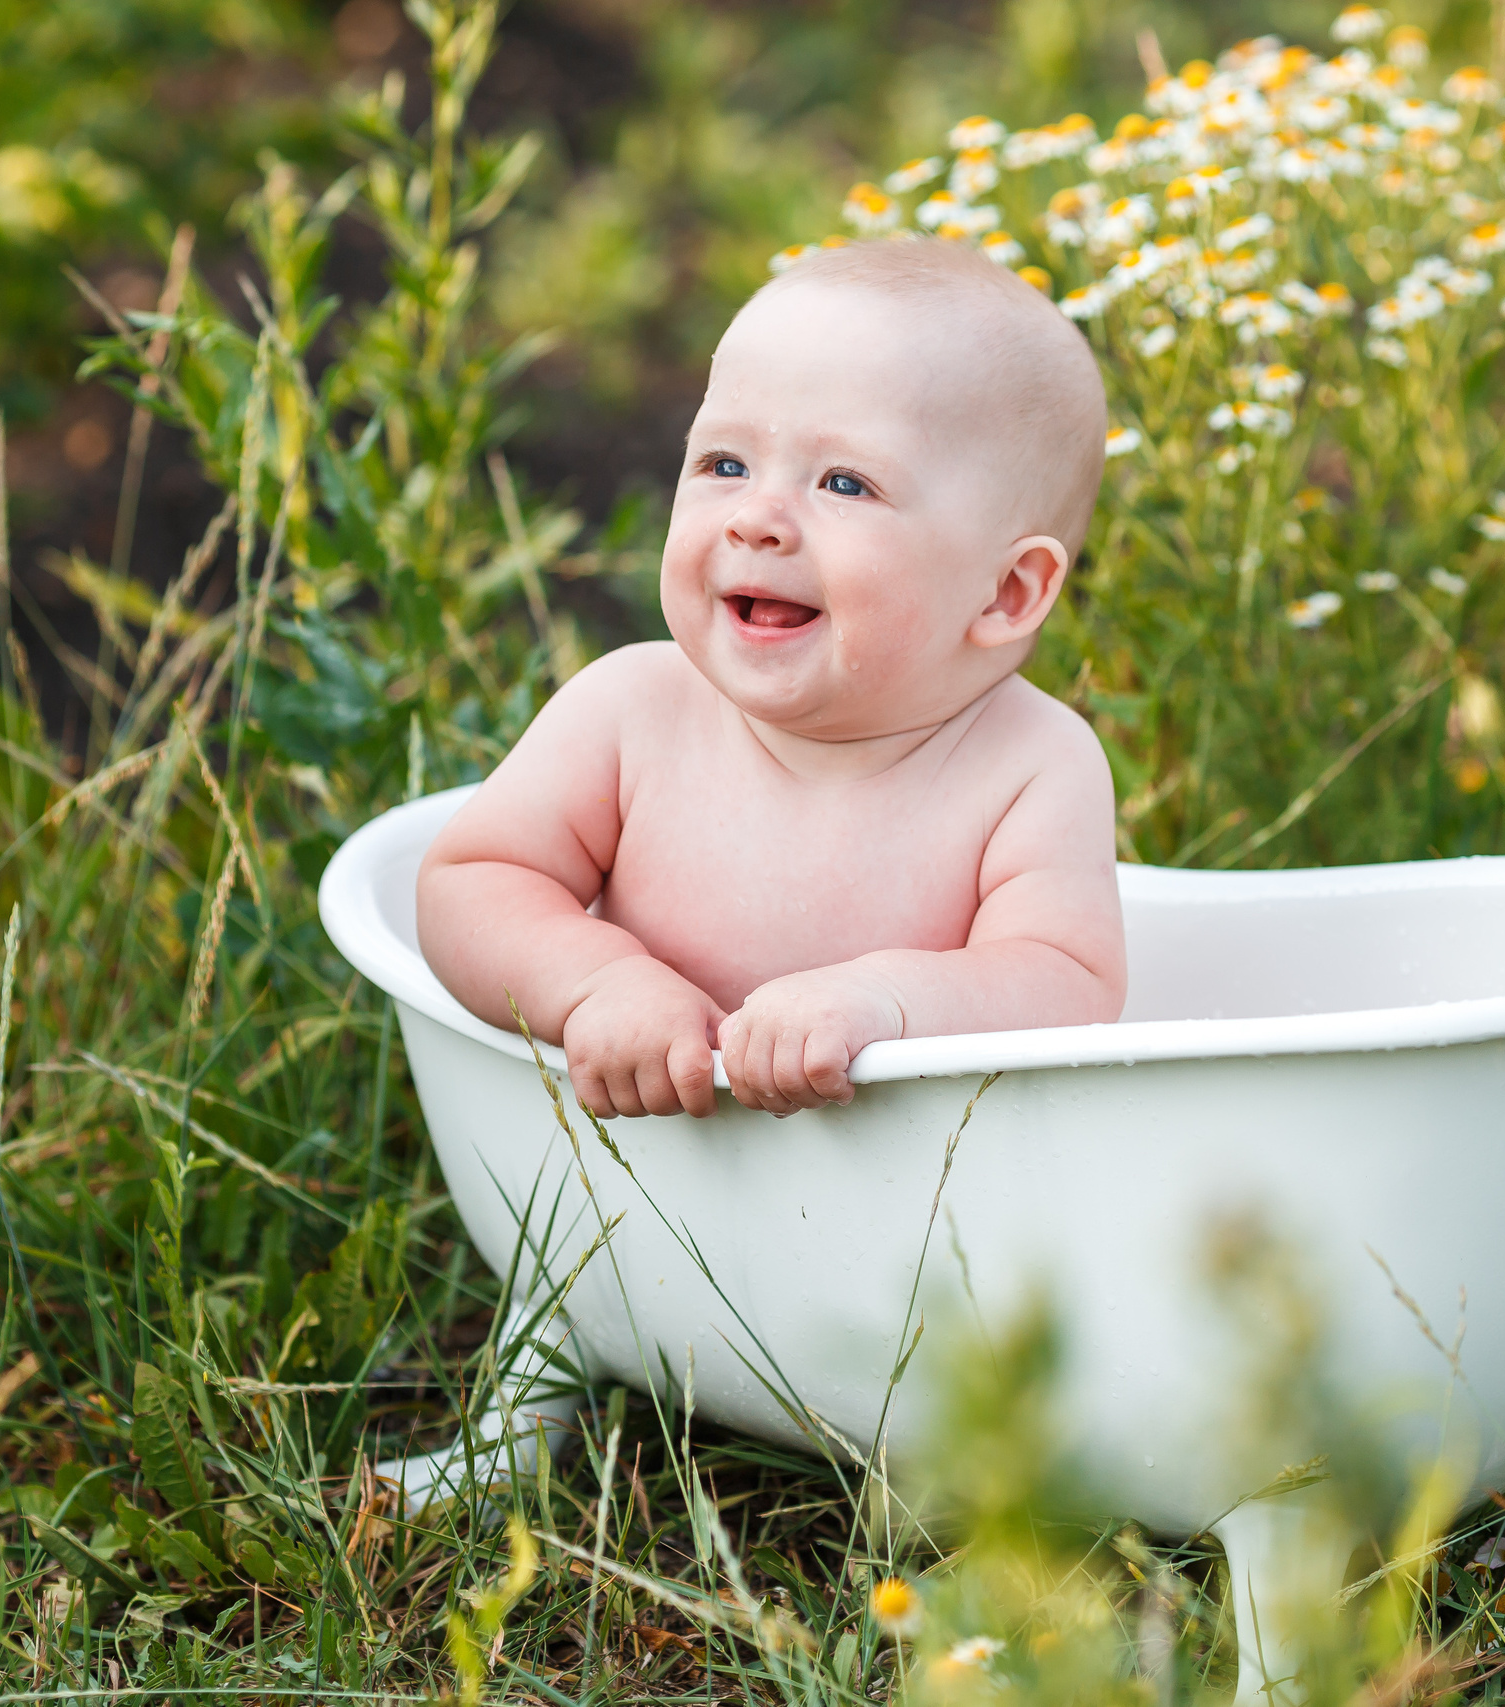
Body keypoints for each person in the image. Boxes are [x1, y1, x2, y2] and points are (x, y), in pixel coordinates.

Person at [416, 238, 1126, 1119]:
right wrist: (599, 981)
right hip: (649, 1165)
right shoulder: (630, 710)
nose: (757, 518)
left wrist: (886, 1002)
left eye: (844, 482)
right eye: (724, 464)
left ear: (1007, 591)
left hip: (921, 1202)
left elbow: (1068, 985)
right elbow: (471, 881)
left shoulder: (1030, 764)